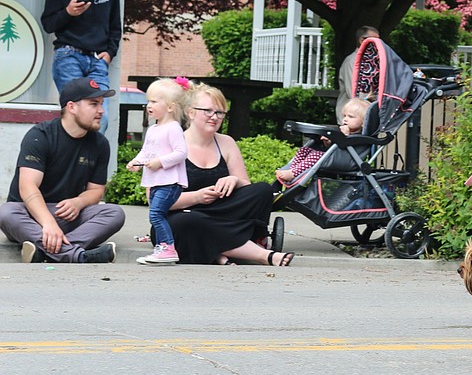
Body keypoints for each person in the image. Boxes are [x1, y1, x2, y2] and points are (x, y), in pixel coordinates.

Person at [145, 83, 290, 266]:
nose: (214, 117)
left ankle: (219, 249)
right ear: (191, 112)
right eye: (208, 111)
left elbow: (246, 185)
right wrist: (197, 197)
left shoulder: (226, 142)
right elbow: (153, 199)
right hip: (185, 215)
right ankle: (262, 255)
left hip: (221, 213)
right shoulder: (169, 144)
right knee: (190, 221)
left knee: (262, 190)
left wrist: (234, 180)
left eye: (220, 113)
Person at [0, 78, 125, 263]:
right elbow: (27, 187)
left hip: (66, 216)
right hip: (30, 215)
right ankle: (78, 255)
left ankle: (46, 251)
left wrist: (78, 202)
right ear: (72, 107)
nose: (101, 111)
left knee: (114, 213)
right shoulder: (40, 136)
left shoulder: (100, 144)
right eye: (93, 104)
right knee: (7, 212)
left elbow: (96, 191)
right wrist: (48, 223)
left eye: (101, 104)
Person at [40, 0, 122, 132]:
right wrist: (68, 12)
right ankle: (69, 161)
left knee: (100, 119)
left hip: (98, 59)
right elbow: (48, 24)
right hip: (68, 56)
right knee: (75, 116)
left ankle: (90, 162)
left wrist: (110, 52)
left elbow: (115, 24)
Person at [127, 78, 190, 265]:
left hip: (170, 181)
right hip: (156, 181)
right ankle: (162, 248)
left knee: (156, 214)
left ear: (170, 107)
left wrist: (160, 162)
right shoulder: (153, 129)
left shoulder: (173, 128)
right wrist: (136, 161)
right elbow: (146, 151)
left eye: (154, 101)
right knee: (157, 214)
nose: (149, 105)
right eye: (148, 101)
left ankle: (168, 248)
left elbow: (181, 153)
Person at [276, 97, 371, 186]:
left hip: (347, 162)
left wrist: (345, 136)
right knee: (304, 150)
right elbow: (335, 149)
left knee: (316, 156)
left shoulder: (360, 137)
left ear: (363, 122)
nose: (345, 119)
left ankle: (293, 174)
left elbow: (346, 149)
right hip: (336, 157)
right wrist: (328, 142)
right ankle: (292, 168)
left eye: (350, 117)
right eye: (344, 116)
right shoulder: (343, 129)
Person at [336, 26, 381, 120]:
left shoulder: (373, 62)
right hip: (350, 118)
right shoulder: (352, 61)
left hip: (365, 118)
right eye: (374, 40)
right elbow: (353, 92)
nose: (378, 44)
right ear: (361, 40)